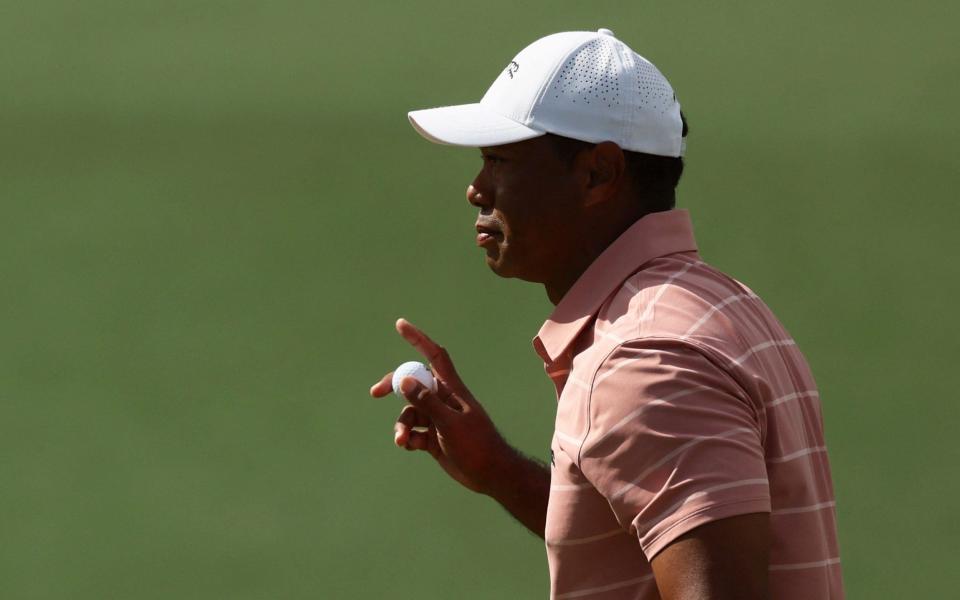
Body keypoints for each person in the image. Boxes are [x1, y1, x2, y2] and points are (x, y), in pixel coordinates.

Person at [369, 29, 843, 599]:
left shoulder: (646, 359)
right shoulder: (719, 305)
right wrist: (499, 471)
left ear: (598, 173)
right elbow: (642, 541)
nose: (476, 189)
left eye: (500, 160)